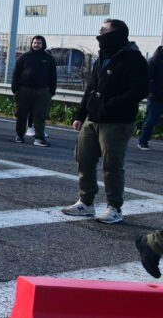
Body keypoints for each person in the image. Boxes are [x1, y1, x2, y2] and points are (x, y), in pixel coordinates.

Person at [62, 19, 149, 224]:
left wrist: (110, 105)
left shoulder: (133, 58)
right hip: (92, 119)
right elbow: (91, 87)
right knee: (83, 158)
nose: (99, 35)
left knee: (112, 165)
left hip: (117, 121)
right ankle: (86, 202)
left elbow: (140, 90)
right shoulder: (103, 55)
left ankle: (114, 207)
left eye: (103, 31)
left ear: (116, 34)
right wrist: (80, 114)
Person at [11, 34, 56, 145]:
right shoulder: (24, 57)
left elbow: (53, 76)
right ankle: (19, 135)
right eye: (34, 43)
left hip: (42, 91)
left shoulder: (49, 59)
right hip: (24, 90)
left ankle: (39, 138)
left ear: (43, 44)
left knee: (40, 115)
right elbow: (16, 73)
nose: (36, 45)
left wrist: (51, 90)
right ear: (31, 44)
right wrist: (15, 88)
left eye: (39, 43)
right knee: (21, 114)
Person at [138, 43, 163, 150]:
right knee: (150, 121)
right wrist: (151, 92)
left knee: (151, 120)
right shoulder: (153, 61)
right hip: (156, 97)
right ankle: (142, 142)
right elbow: (146, 78)